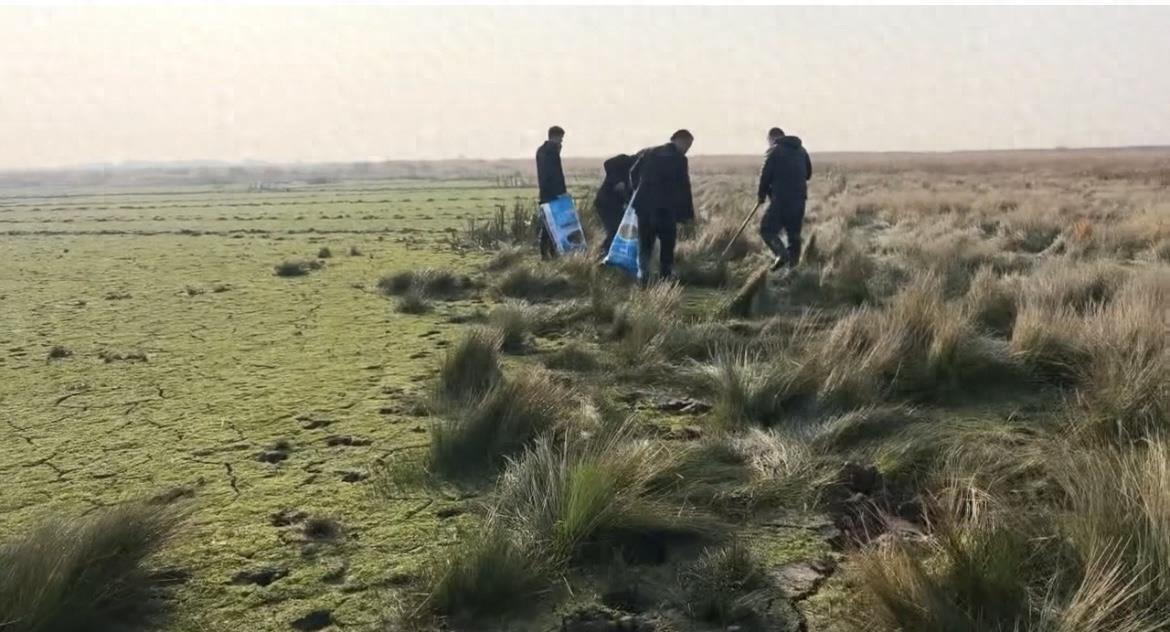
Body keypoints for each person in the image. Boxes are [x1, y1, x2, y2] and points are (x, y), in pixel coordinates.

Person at [629, 130, 695, 284]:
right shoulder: (680, 159)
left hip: (644, 206)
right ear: (678, 140)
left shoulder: (649, 152)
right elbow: (684, 187)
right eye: (687, 144)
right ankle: (665, 278)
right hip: (665, 208)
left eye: (690, 146)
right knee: (667, 244)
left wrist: (638, 190)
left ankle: (643, 279)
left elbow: (633, 172)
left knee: (645, 244)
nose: (687, 148)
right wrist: (687, 216)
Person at [757, 127, 812, 270]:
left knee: (766, 229)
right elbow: (808, 174)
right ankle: (793, 271)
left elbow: (764, 177)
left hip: (781, 200)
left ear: (772, 138)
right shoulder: (802, 151)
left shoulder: (774, 151)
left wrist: (761, 196)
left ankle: (781, 254)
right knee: (794, 236)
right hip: (800, 200)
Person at [593, 153, 635, 257]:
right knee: (614, 230)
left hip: (615, 204)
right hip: (605, 203)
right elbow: (608, 163)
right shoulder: (627, 160)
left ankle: (607, 255)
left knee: (617, 231)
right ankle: (602, 255)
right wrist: (616, 181)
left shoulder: (638, 173)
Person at [535, 125, 567, 260]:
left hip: (544, 192)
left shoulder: (541, 150)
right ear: (556, 136)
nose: (562, 142)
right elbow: (556, 174)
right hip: (554, 193)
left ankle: (544, 253)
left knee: (547, 224)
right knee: (554, 225)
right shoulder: (552, 151)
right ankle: (553, 253)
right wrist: (561, 192)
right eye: (561, 139)